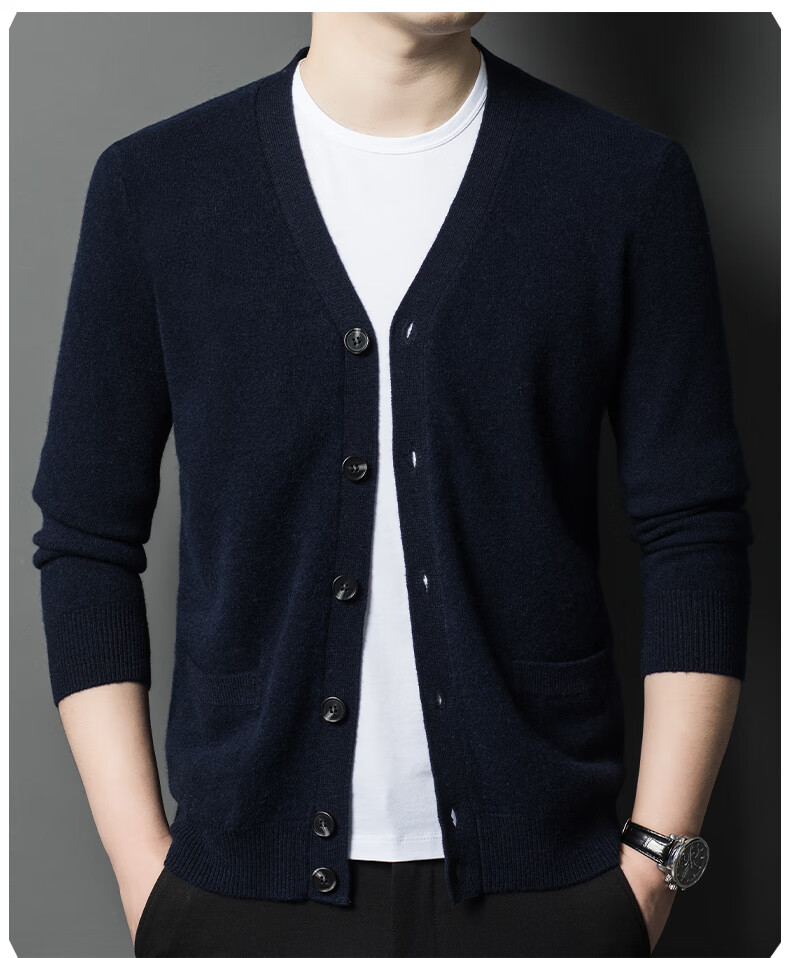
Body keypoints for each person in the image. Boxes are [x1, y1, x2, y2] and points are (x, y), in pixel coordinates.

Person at [30, 12, 753, 958]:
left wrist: (654, 864)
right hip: (242, 895)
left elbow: (693, 528)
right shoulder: (157, 186)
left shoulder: (622, 181)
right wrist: (143, 874)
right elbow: (85, 539)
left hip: (551, 891)